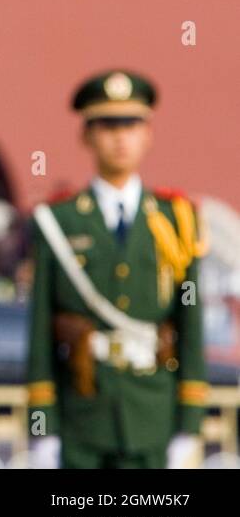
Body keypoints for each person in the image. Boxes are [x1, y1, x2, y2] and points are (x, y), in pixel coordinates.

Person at [26, 70, 208, 468]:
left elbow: (190, 324)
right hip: (81, 418)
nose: (120, 138)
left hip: (152, 416)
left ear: (148, 134)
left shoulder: (175, 220)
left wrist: (189, 426)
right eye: (107, 126)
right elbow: (40, 332)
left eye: (131, 124)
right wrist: (42, 430)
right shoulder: (59, 222)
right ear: (87, 136)